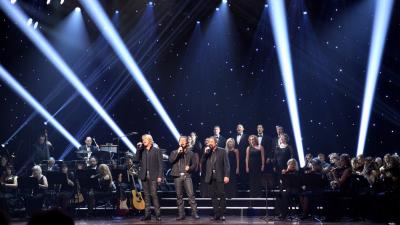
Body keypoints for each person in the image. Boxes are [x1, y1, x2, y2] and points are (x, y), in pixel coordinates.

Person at [169, 136, 199, 220]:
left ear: (187, 143)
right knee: (179, 196)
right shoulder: (174, 152)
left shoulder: (190, 153)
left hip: (187, 176)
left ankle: (194, 213)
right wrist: (178, 153)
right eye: (180, 141)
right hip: (177, 176)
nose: (181, 142)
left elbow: (194, 164)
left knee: (191, 195)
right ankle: (181, 214)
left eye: (183, 141)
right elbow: (171, 161)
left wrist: (189, 168)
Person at [201, 136, 230, 221]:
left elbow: (227, 165)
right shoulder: (207, 152)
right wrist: (205, 153)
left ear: (215, 143)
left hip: (220, 176)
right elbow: (202, 162)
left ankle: (223, 214)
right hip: (210, 177)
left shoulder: (222, 151)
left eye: (211, 142)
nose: (209, 143)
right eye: (208, 141)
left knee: (221, 195)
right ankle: (216, 214)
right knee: (213, 196)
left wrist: (227, 175)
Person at [135, 134, 163, 221]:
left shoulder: (156, 150)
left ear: (150, 140)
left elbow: (161, 165)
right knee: (146, 196)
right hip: (144, 176)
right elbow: (136, 160)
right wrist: (138, 149)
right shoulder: (142, 150)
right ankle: (147, 215)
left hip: (154, 176)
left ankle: (158, 215)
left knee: (154, 195)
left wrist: (160, 176)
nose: (143, 141)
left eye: (145, 139)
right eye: (142, 139)